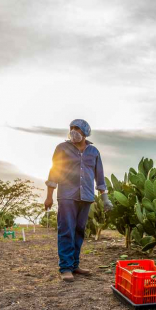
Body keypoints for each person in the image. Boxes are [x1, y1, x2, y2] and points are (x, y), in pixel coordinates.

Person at [44, 119, 113, 282]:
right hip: (67, 195)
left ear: (85, 132)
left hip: (87, 196)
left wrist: (105, 198)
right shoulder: (62, 148)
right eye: (71, 128)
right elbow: (54, 171)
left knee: (79, 231)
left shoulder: (94, 151)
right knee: (66, 230)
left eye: (77, 128)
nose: (73, 131)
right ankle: (65, 268)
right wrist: (49, 196)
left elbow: (99, 176)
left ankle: (75, 265)